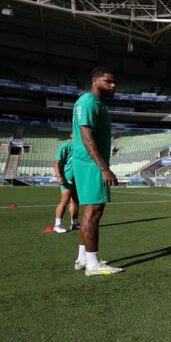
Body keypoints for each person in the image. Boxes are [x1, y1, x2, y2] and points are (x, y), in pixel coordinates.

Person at [72, 67, 123, 276]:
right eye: (108, 81)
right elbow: (86, 136)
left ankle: (83, 258)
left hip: (88, 163)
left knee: (89, 213)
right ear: (95, 81)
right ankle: (93, 264)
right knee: (94, 212)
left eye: (114, 82)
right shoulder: (88, 102)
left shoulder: (96, 104)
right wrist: (104, 168)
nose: (113, 85)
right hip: (91, 164)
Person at [52, 135, 80, 233]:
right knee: (64, 201)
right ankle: (57, 224)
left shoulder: (82, 147)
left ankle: (75, 223)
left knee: (75, 201)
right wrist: (59, 176)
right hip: (67, 178)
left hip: (78, 179)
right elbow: (56, 163)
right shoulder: (65, 146)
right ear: (71, 135)